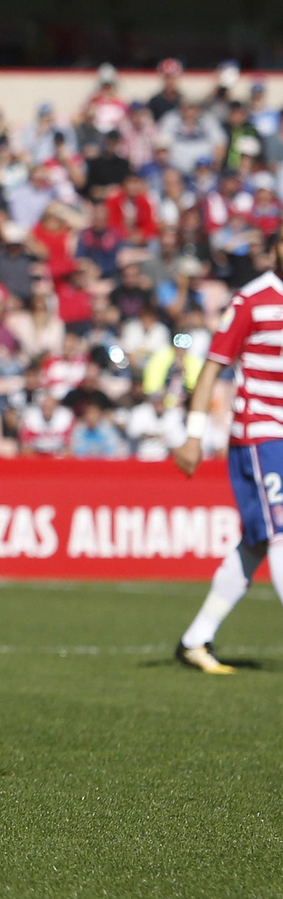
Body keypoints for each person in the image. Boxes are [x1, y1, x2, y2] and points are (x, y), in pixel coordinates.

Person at [171, 237, 283, 674]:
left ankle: (195, 640)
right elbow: (213, 365)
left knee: (256, 541)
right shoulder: (252, 300)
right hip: (261, 433)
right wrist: (194, 435)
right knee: (280, 531)